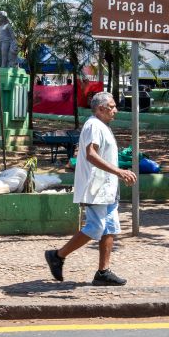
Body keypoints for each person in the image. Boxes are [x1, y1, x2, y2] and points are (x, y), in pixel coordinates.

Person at [45, 92, 137, 286]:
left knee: (109, 228)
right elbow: (91, 155)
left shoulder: (101, 126)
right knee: (96, 227)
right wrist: (120, 172)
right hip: (96, 187)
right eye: (112, 107)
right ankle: (57, 255)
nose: (115, 110)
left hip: (107, 188)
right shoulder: (94, 125)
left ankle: (103, 272)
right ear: (101, 108)